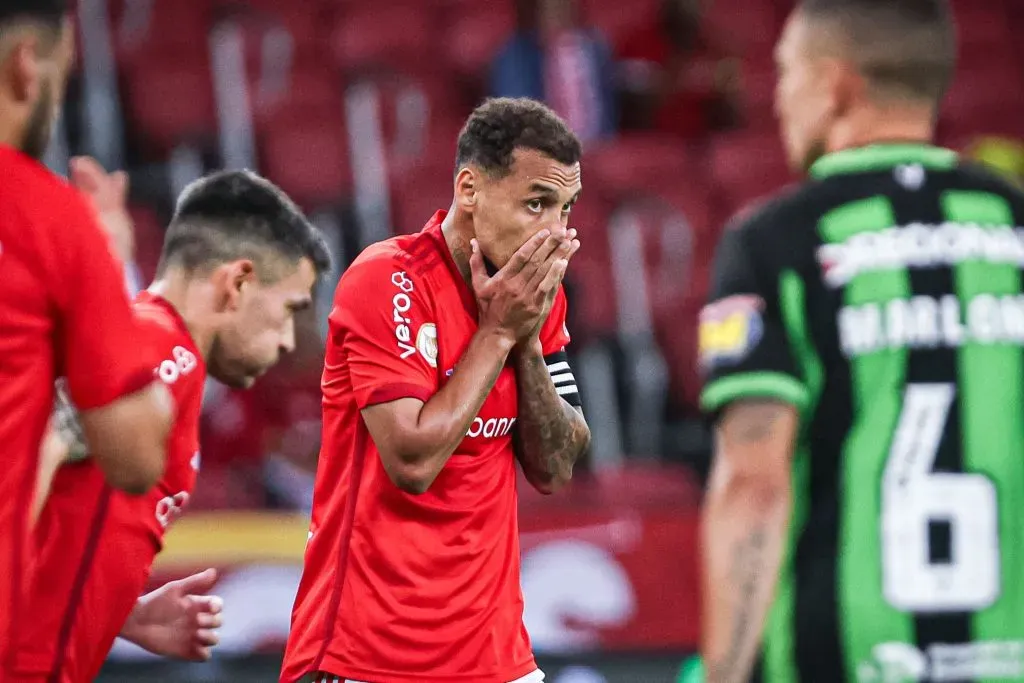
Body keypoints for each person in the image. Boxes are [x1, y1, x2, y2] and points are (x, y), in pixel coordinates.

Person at [698, 0, 1024, 681]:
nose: (779, 95)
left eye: (788, 71)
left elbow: (754, 483)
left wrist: (725, 672)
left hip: (836, 655)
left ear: (837, 85)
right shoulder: (1012, 223)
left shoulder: (774, 241)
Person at [281, 97, 592, 683]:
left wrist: (524, 341)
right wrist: (498, 332)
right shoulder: (386, 280)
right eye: (537, 204)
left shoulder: (533, 299)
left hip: (498, 661)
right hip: (366, 658)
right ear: (469, 190)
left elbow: (555, 469)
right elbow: (413, 461)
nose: (557, 234)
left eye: (566, 209)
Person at [12, 169, 333, 683]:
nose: (287, 342)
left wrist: (119, 614)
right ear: (236, 285)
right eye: (285, 312)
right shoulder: (164, 355)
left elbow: (64, 520)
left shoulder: (166, 361)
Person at [0, 0, 173, 671]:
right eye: (63, 73)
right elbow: (134, 455)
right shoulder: (54, 223)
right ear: (26, 67)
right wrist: (117, 265)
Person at [491, 0, 616, 143]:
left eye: (563, 6)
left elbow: (608, 111)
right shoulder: (515, 56)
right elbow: (515, 117)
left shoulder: (594, 48)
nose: (558, 12)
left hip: (597, 146)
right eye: (551, 7)